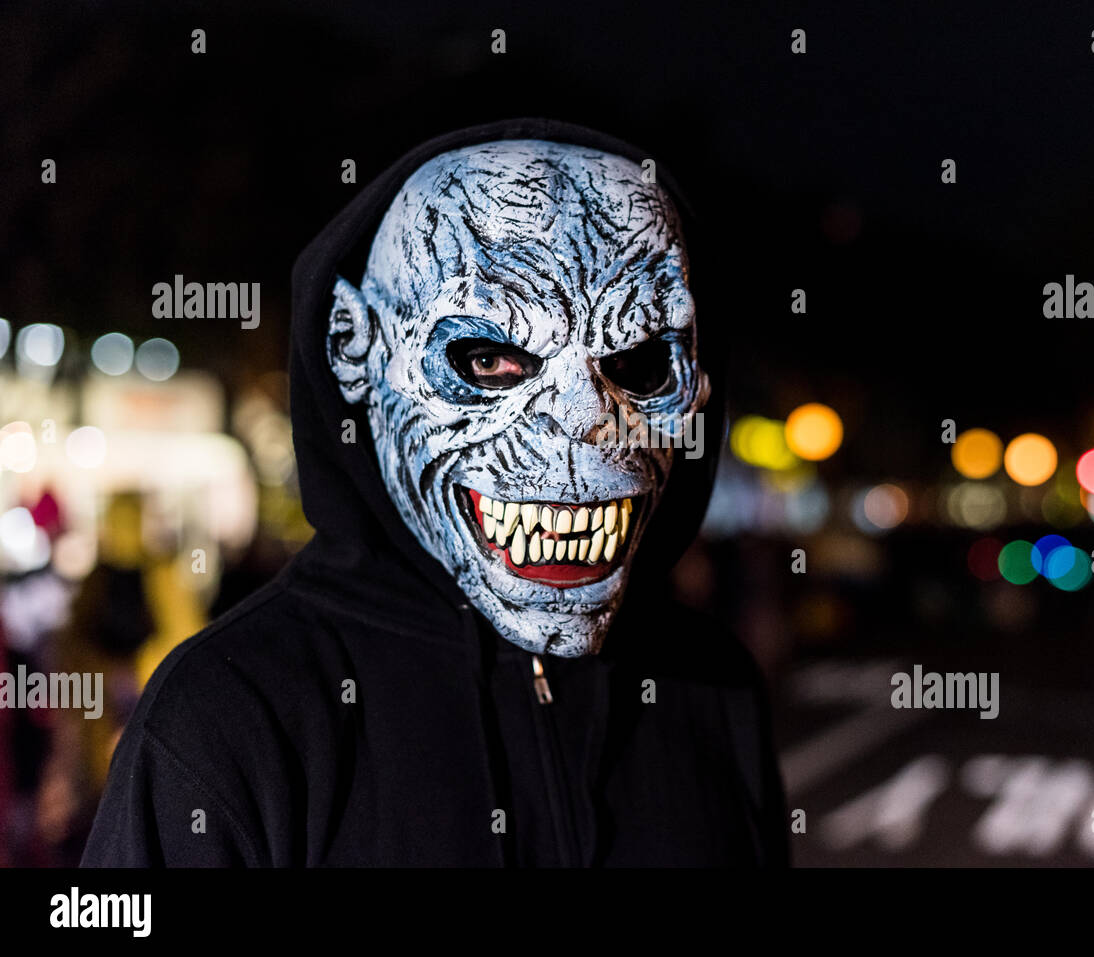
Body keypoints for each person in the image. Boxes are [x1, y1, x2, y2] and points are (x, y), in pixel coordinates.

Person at [81, 119, 790, 866]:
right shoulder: (231, 717)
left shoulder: (711, 687)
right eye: (488, 357)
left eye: (641, 362)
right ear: (354, 347)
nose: (588, 424)